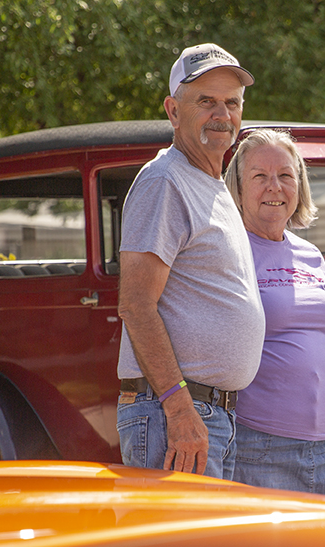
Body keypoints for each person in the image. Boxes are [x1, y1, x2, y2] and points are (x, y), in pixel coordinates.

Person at [115, 43, 265, 479]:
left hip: (208, 417)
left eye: (231, 103)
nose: (222, 114)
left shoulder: (212, 185)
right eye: (206, 101)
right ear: (173, 110)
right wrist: (180, 410)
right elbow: (136, 306)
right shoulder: (164, 181)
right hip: (175, 415)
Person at [222, 129, 325, 501]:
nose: (275, 186)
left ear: (299, 186)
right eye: (260, 176)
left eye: (286, 175)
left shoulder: (310, 254)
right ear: (238, 188)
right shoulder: (226, 251)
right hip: (262, 446)